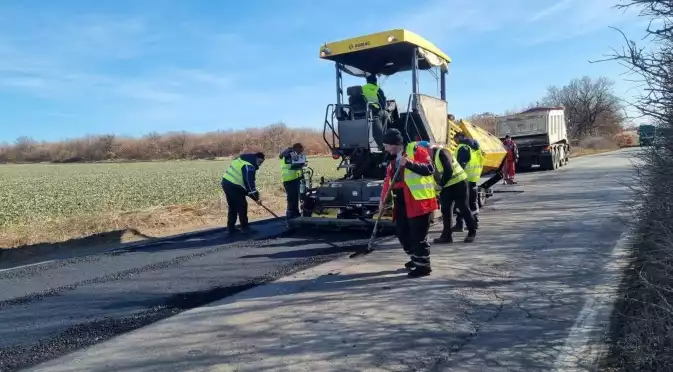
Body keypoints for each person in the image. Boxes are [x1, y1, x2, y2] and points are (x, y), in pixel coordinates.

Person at [379, 128, 438, 278]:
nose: (385, 148)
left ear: (395, 144)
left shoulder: (416, 150)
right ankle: (416, 258)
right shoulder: (391, 158)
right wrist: (383, 200)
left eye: (386, 145)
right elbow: (388, 181)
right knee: (402, 234)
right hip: (401, 200)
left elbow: (430, 169)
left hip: (418, 200)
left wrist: (409, 163)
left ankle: (423, 267)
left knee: (418, 236)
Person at [429, 142, 478, 244]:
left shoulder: (442, 152)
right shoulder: (432, 158)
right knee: (446, 211)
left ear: (429, 149)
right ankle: (446, 236)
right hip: (447, 186)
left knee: (463, 207)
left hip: (459, 183)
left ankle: (472, 232)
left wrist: (441, 184)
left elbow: (449, 170)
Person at [221, 152, 265, 236]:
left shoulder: (242, 160)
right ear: (256, 158)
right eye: (260, 162)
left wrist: (255, 197)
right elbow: (249, 184)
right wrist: (256, 198)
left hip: (227, 183)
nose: (260, 165)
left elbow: (246, 186)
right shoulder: (248, 166)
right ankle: (245, 228)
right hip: (233, 185)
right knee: (242, 205)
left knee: (233, 206)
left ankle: (231, 228)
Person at [453, 132, 484, 231]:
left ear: (459, 137)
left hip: (463, 179)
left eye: (455, 139)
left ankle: (459, 224)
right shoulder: (476, 148)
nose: (455, 141)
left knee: (460, 202)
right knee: (472, 201)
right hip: (474, 178)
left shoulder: (463, 148)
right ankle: (475, 222)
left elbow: (460, 165)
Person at [279, 143, 307, 219]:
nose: (300, 153)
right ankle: (290, 215)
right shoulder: (288, 154)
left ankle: (296, 213)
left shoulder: (292, 153)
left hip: (295, 178)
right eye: (300, 151)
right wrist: (300, 165)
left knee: (295, 197)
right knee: (291, 198)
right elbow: (291, 165)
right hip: (289, 179)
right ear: (297, 148)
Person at [362, 74, 389, 149]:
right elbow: (383, 105)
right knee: (386, 114)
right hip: (375, 111)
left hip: (364, 112)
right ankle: (384, 140)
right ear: (375, 81)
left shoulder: (361, 89)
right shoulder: (377, 89)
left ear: (367, 81)